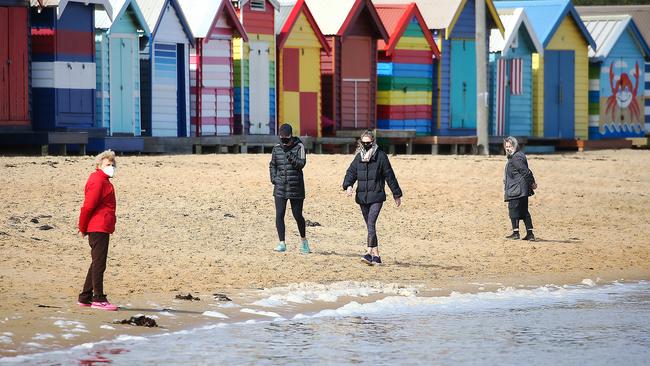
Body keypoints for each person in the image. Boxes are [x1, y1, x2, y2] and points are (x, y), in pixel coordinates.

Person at [342, 130, 402, 265]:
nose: (366, 145)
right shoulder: (359, 157)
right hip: (362, 197)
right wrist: (348, 186)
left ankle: (368, 253)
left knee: (371, 224)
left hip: (377, 196)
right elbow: (351, 172)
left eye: (368, 143)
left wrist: (396, 194)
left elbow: (389, 176)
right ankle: (377, 257)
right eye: (363, 143)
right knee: (370, 227)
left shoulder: (381, 156)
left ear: (373, 142)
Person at [77, 150, 119, 311]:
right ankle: (98, 298)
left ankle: (85, 297)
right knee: (99, 263)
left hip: (102, 226)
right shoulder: (98, 181)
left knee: (96, 262)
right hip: (97, 227)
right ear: (99, 165)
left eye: (113, 164)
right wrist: (82, 226)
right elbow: (88, 206)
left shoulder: (104, 181)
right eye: (108, 164)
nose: (112, 167)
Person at [269, 123, 310, 254]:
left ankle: (304, 241)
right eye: (281, 137)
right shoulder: (276, 148)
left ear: (291, 136)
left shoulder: (300, 147)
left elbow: (301, 164)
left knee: (297, 215)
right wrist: (274, 179)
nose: (283, 140)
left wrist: (289, 154)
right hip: (280, 186)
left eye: (286, 137)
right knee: (279, 214)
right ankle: (282, 243)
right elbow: (272, 165)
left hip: (296, 187)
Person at [503, 136, 537, 241]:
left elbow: (525, 171)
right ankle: (530, 234)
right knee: (524, 211)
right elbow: (525, 171)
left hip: (517, 189)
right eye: (506, 146)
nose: (508, 148)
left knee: (513, 210)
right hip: (521, 189)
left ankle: (516, 233)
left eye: (510, 146)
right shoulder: (517, 156)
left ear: (515, 145)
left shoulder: (516, 157)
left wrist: (532, 183)